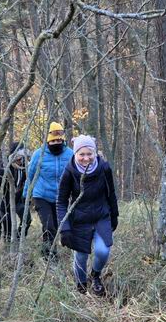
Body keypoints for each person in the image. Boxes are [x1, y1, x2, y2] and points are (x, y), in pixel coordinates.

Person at [56, 135, 118, 296]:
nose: (86, 158)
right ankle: (81, 286)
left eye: (89, 154)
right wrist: (65, 228)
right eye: (81, 154)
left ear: (95, 153)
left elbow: (111, 193)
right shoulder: (69, 172)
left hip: (101, 216)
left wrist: (114, 215)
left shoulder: (104, 168)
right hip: (79, 219)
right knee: (81, 256)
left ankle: (95, 275)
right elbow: (61, 202)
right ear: (75, 154)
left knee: (103, 251)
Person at [25, 122, 74, 259]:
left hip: (61, 197)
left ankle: (49, 249)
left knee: (57, 227)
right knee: (49, 226)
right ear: (48, 141)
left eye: (59, 140)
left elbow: (76, 175)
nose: (56, 143)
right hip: (42, 195)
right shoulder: (38, 155)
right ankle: (49, 256)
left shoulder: (70, 154)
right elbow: (30, 175)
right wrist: (25, 195)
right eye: (53, 141)